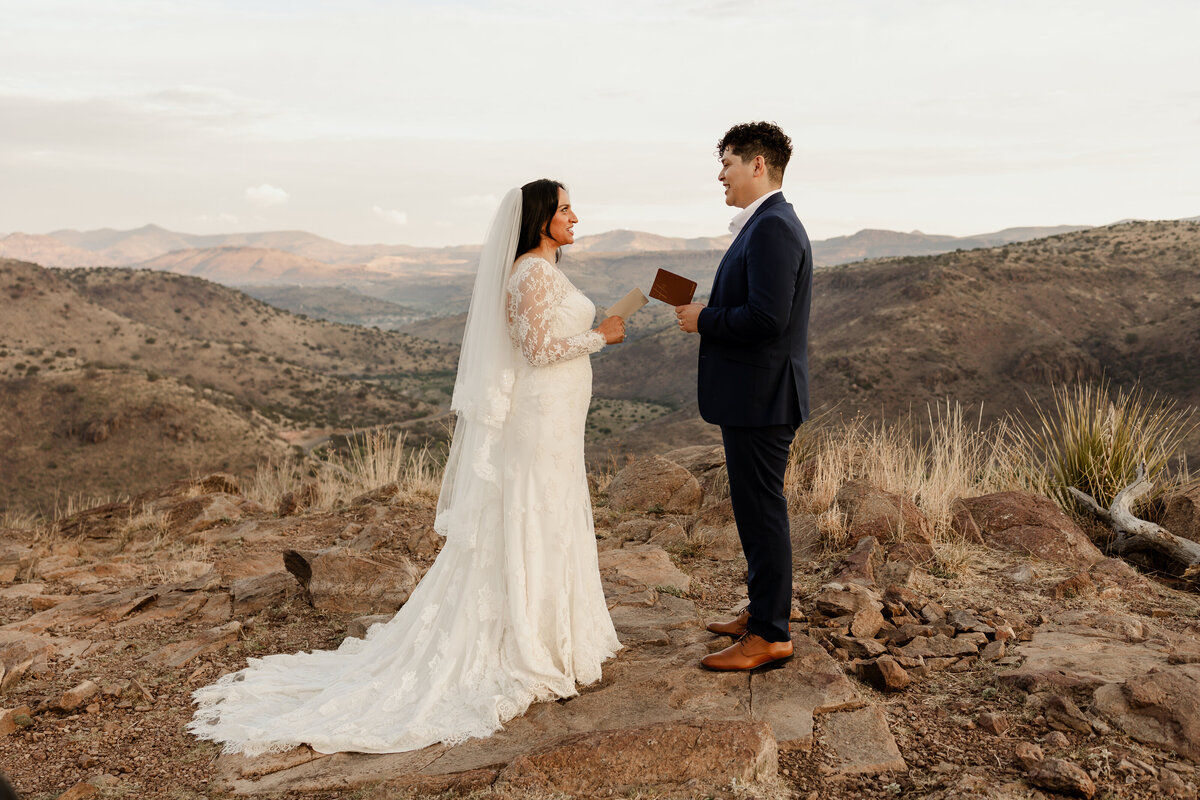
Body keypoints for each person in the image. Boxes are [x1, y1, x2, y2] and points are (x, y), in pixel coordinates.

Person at [189, 179, 625, 756]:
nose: (575, 216)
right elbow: (536, 350)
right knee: (532, 514)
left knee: (552, 513)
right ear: (541, 217)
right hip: (539, 419)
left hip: (559, 418)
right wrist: (601, 335)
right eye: (565, 208)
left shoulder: (544, 268)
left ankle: (554, 632)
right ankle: (530, 639)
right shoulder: (529, 273)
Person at [675, 121, 812, 671]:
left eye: (728, 163)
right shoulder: (765, 224)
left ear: (759, 165)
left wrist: (703, 319)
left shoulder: (773, 227)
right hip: (758, 395)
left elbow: (767, 319)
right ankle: (761, 614)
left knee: (762, 511)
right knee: (755, 510)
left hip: (764, 397)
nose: (720, 174)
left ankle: (771, 635)